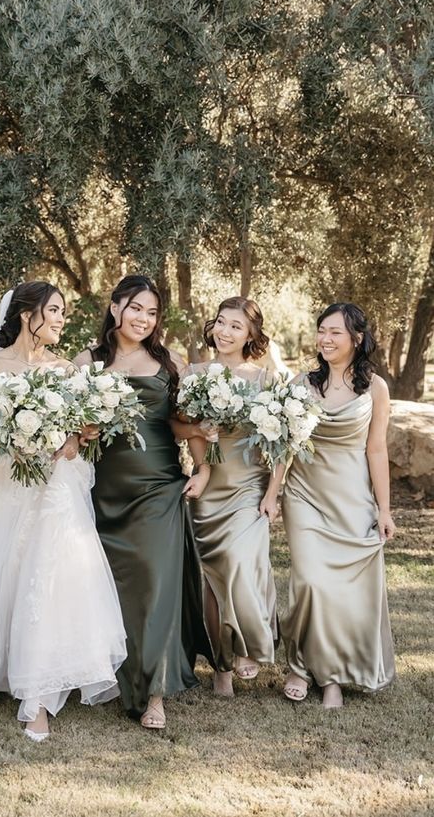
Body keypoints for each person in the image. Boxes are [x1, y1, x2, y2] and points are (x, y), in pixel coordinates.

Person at [0, 281, 126, 741]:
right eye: (53, 310)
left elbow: (79, 438)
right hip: (8, 484)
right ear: (26, 313)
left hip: (55, 488)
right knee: (9, 572)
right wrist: (8, 436)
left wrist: (75, 436)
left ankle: (38, 695)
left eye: (63, 312)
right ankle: (6, 668)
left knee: (48, 575)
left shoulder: (67, 370)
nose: (60, 319)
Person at [74, 274, 213, 731]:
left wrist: (203, 466)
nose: (144, 319)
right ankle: (114, 676)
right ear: (115, 308)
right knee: (112, 591)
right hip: (103, 489)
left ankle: (155, 693)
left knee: (155, 586)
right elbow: (70, 428)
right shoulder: (88, 361)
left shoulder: (169, 361)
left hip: (157, 485)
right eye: (136, 308)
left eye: (152, 312)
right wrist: (83, 429)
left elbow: (182, 421)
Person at [268, 302, 396, 708]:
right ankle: (300, 666)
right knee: (309, 581)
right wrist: (273, 493)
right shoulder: (300, 385)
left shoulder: (375, 387)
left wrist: (384, 508)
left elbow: (376, 450)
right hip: (305, 494)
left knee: (341, 592)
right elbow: (284, 446)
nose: (325, 338)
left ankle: (332, 676)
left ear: (356, 338)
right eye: (321, 330)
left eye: (335, 332)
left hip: (352, 499)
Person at [179, 296, 279, 697]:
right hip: (209, 485)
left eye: (236, 326)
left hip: (248, 487)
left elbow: (282, 443)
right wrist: (202, 438)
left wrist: (274, 492)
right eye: (221, 322)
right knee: (212, 580)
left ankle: (246, 645)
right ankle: (220, 667)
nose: (225, 331)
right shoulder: (195, 373)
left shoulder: (264, 379)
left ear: (251, 334)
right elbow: (182, 428)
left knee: (239, 563)